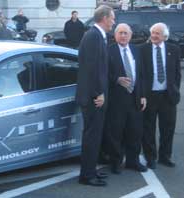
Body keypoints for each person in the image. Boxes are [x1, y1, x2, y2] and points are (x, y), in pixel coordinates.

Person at [76, 5, 115, 187]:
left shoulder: (98, 35)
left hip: (96, 96)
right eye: (112, 18)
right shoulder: (93, 36)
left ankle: (91, 171)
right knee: (91, 137)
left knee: (95, 137)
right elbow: (91, 69)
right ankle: (87, 176)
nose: (114, 22)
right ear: (105, 18)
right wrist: (98, 94)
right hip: (94, 98)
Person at [107, 23, 147, 174]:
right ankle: (116, 162)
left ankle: (133, 161)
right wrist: (116, 79)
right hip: (117, 99)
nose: (123, 36)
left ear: (130, 35)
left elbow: (142, 75)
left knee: (135, 131)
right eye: (120, 33)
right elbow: (102, 74)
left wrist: (143, 95)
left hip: (135, 98)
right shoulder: (108, 51)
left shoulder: (136, 50)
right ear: (115, 35)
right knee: (116, 132)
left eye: (126, 33)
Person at [141, 23, 181, 169]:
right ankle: (150, 158)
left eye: (158, 33)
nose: (154, 36)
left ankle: (165, 156)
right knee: (148, 128)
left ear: (165, 36)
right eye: (153, 32)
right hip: (150, 95)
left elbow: (177, 74)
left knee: (168, 128)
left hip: (167, 96)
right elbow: (140, 74)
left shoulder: (174, 50)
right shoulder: (143, 50)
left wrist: (175, 90)